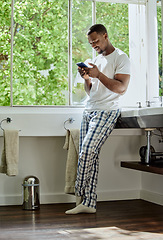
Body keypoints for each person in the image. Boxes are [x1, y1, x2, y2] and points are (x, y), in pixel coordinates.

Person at [65, 24, 130, 214]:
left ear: (105, 36)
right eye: (90, 42)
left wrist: (98, 75)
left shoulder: (121, 57)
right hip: (90, 110)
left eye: (96, 41)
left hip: (107, 111)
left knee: (87, 151)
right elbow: (91, 93)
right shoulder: (95, 60)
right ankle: (89, 203)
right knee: (91, 158)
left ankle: (78, 189)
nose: (93, 44)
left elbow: (121, 88)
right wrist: (87, 78)